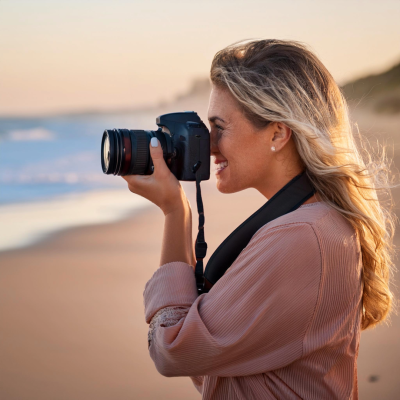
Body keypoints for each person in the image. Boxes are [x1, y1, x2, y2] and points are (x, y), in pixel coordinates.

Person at [122, 39, 396, 399]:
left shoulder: (300, 237)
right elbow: (220, 365)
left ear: (278, 133)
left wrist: (176, 211)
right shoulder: (317, 222)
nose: (211, 145)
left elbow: (174, 349)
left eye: (220, 127)